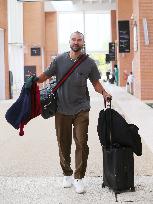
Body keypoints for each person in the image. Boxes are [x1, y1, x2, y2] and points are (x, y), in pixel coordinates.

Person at [31, 31, 111, 194]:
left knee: (82, 143)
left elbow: (95, 83)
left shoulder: (89, 63)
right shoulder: (59, 60)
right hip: (61, 109)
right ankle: (67, 173)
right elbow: (44, 76)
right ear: (69, 41)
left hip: (81, 109)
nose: (76, 42)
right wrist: (32, 81)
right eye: (73, 39)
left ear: (83, 42)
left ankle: (78, 177)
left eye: (79, 40)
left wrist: (104, 93)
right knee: (63, 142)